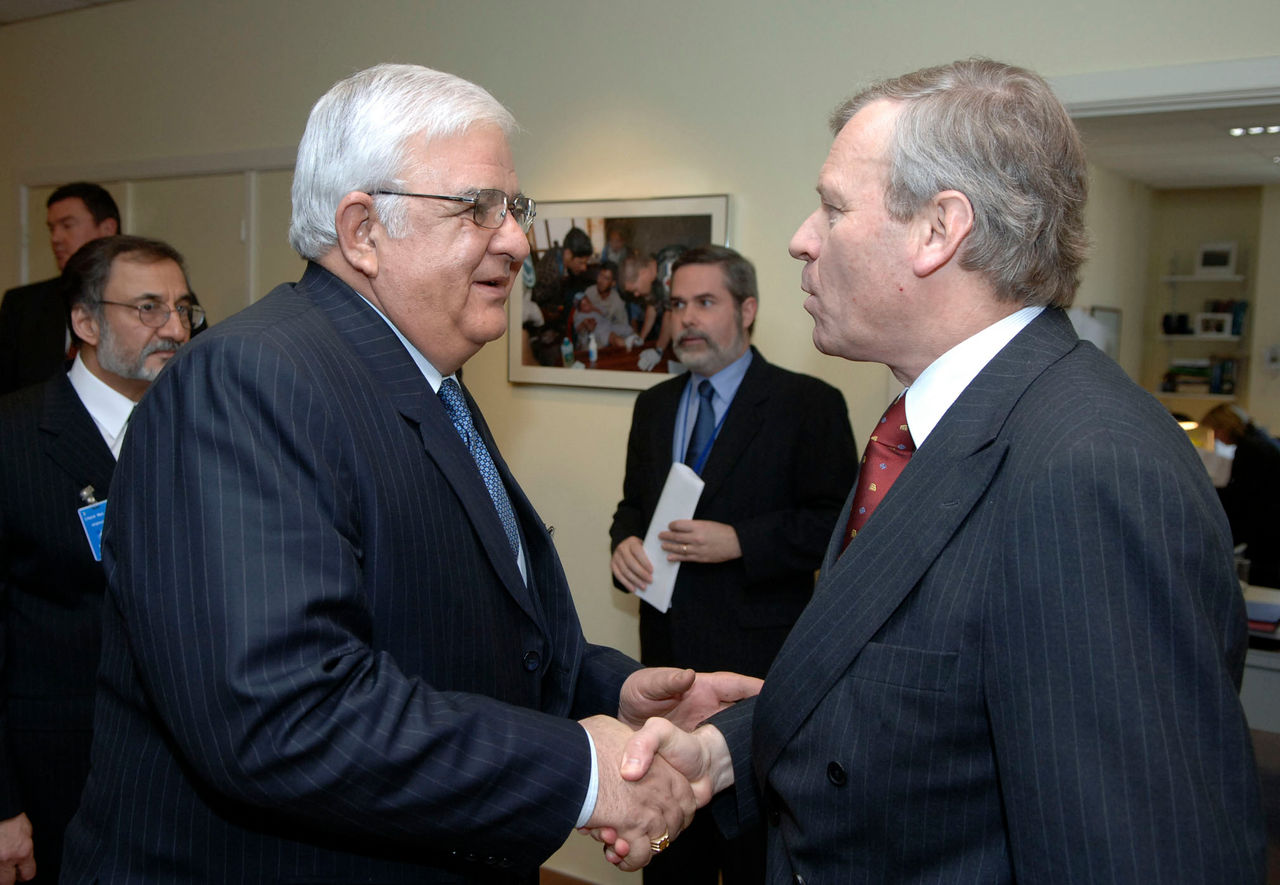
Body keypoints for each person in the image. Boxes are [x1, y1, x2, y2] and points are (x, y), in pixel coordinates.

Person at [61, 64, 757, 883]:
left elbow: (461, 633)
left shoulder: (424, 377)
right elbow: (281, 711)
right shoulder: (249, 379)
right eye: (477, 208)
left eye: (514, 209)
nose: (517, 241)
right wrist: (580, 768)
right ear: (362, 230)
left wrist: (618, 694)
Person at [612, 59, 1265, 882]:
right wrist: (725, 748)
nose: (801, 239)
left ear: (938, 230)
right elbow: (924, 717)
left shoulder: (1090, 470)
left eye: (834, 207)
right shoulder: (914, 430)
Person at [609, 245, 856, 884]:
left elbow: (837, 524)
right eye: (677, 304)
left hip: (757, 674)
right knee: (670, 854)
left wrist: (742, 540)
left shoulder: (808, 404)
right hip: (665, 667)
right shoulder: (654, 405)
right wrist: (624, 546)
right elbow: (632, 508)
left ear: (746, 310)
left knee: (754, 861)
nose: (687, 318)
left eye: (705, 302)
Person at [0, 235, 198, 883]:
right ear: (84, 322)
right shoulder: (15, 438)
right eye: (147, 308)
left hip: (190, 779)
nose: (173, 328)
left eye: (182, 307)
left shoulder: (205, 427)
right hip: (57, 778)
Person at [0, 183, 121, 395]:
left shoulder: (155, 300)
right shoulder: (22, 304)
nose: (55, 239)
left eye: (67, 225)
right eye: (51, 228)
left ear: (107, 229)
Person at [1200, 403, 1280, 587]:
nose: (1217, 438)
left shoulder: (1252, 449)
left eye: (1215, 430)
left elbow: (1245, 497)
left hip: (1268, 528)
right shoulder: (1260, 441)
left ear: (1225, 426)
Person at [574, 261, 638, 350]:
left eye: (606, 278)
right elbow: (577, 316)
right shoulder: (589, 292)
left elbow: (622, 324)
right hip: (588, 337)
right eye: (600, 275)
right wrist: (585, 325)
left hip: (607, 336)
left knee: (627, 333)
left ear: (613, 283)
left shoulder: (617, 301)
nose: (600, 281)